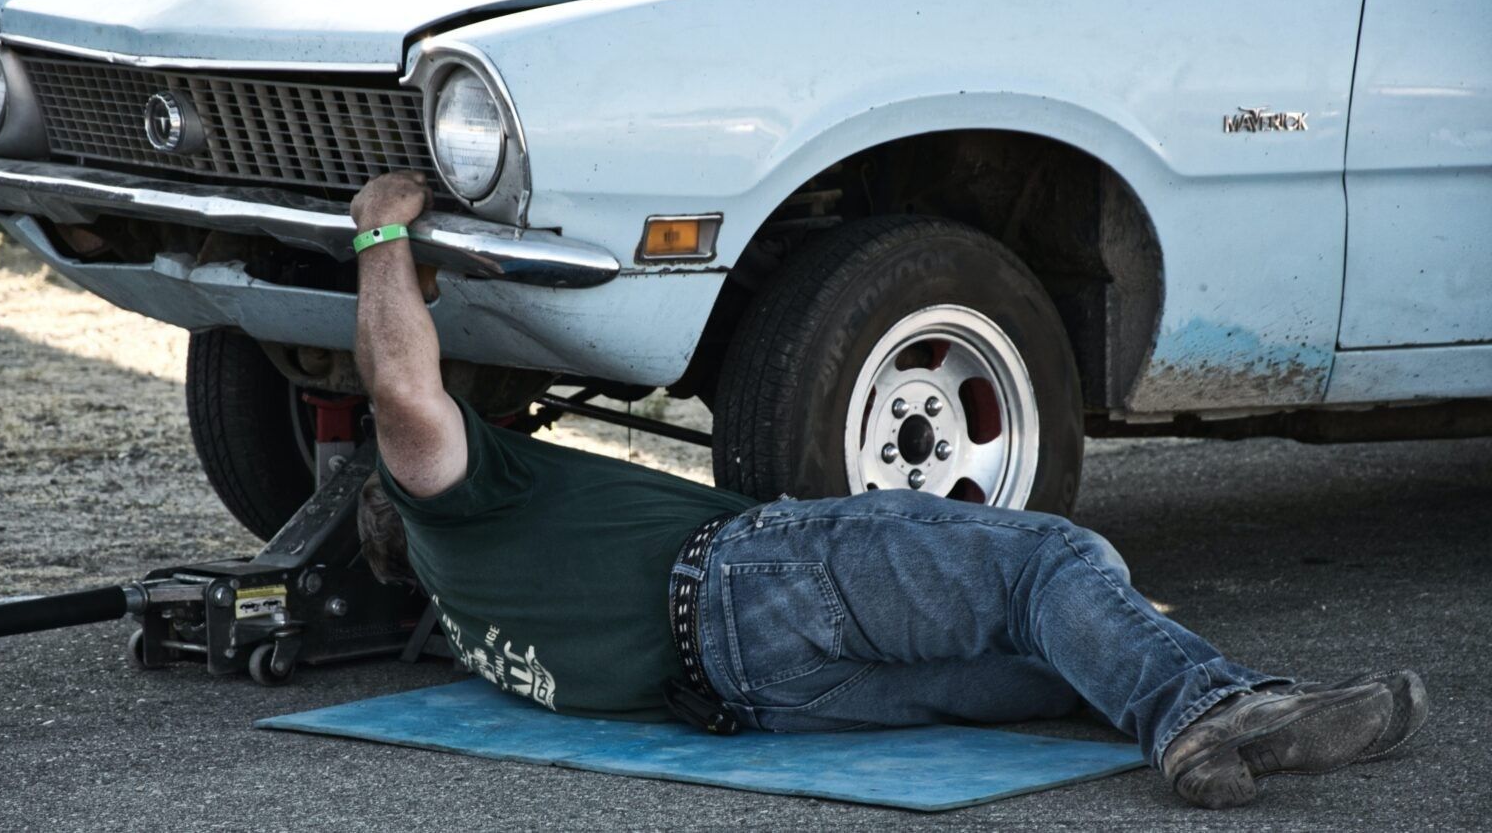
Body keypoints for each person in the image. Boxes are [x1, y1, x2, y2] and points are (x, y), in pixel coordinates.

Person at [347, 172, 1427, 809]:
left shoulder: (478, 629)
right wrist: (384, 231)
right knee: (1046, 561)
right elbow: (400, 389)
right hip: (754, 581)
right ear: (409, 508)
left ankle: (1229, 715)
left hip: (763, 698)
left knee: (1057, 663)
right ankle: (1211, 713)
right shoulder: (451, 514)